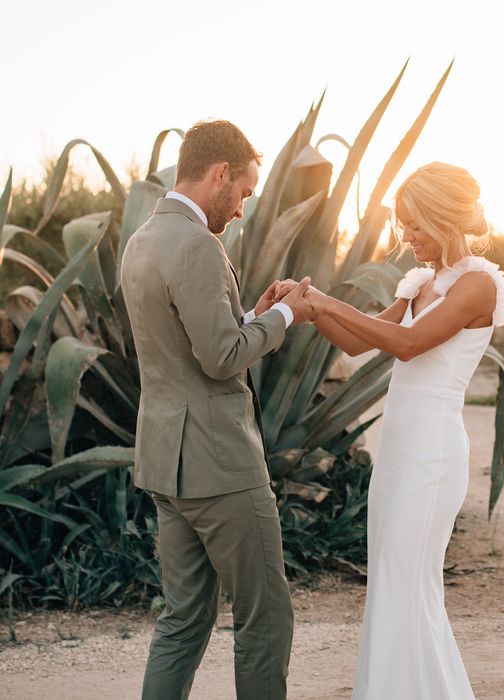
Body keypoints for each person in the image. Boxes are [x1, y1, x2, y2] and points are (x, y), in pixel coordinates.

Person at [279, 162, 504, 698]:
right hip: (399, 453)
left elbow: (408, 345)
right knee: (391, 581)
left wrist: (327, 301)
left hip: (432, 456)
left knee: (409, 583)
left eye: (413, 225)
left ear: (443, 217)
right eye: (401, 225)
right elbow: (362, 343)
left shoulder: (477, 284)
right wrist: (308, 306)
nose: (404, 238)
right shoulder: (420, 283)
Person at [120, 119, 315, 700]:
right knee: (266, 617)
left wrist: (252, 318)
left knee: (183, 620)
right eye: (244, 192)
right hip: (219, 464)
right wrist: (285, 317)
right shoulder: (198, 245)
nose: (242, 209)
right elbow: (222, 358)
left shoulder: (145, 239)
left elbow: (188, 346)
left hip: (166, 463)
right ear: (220, 173)